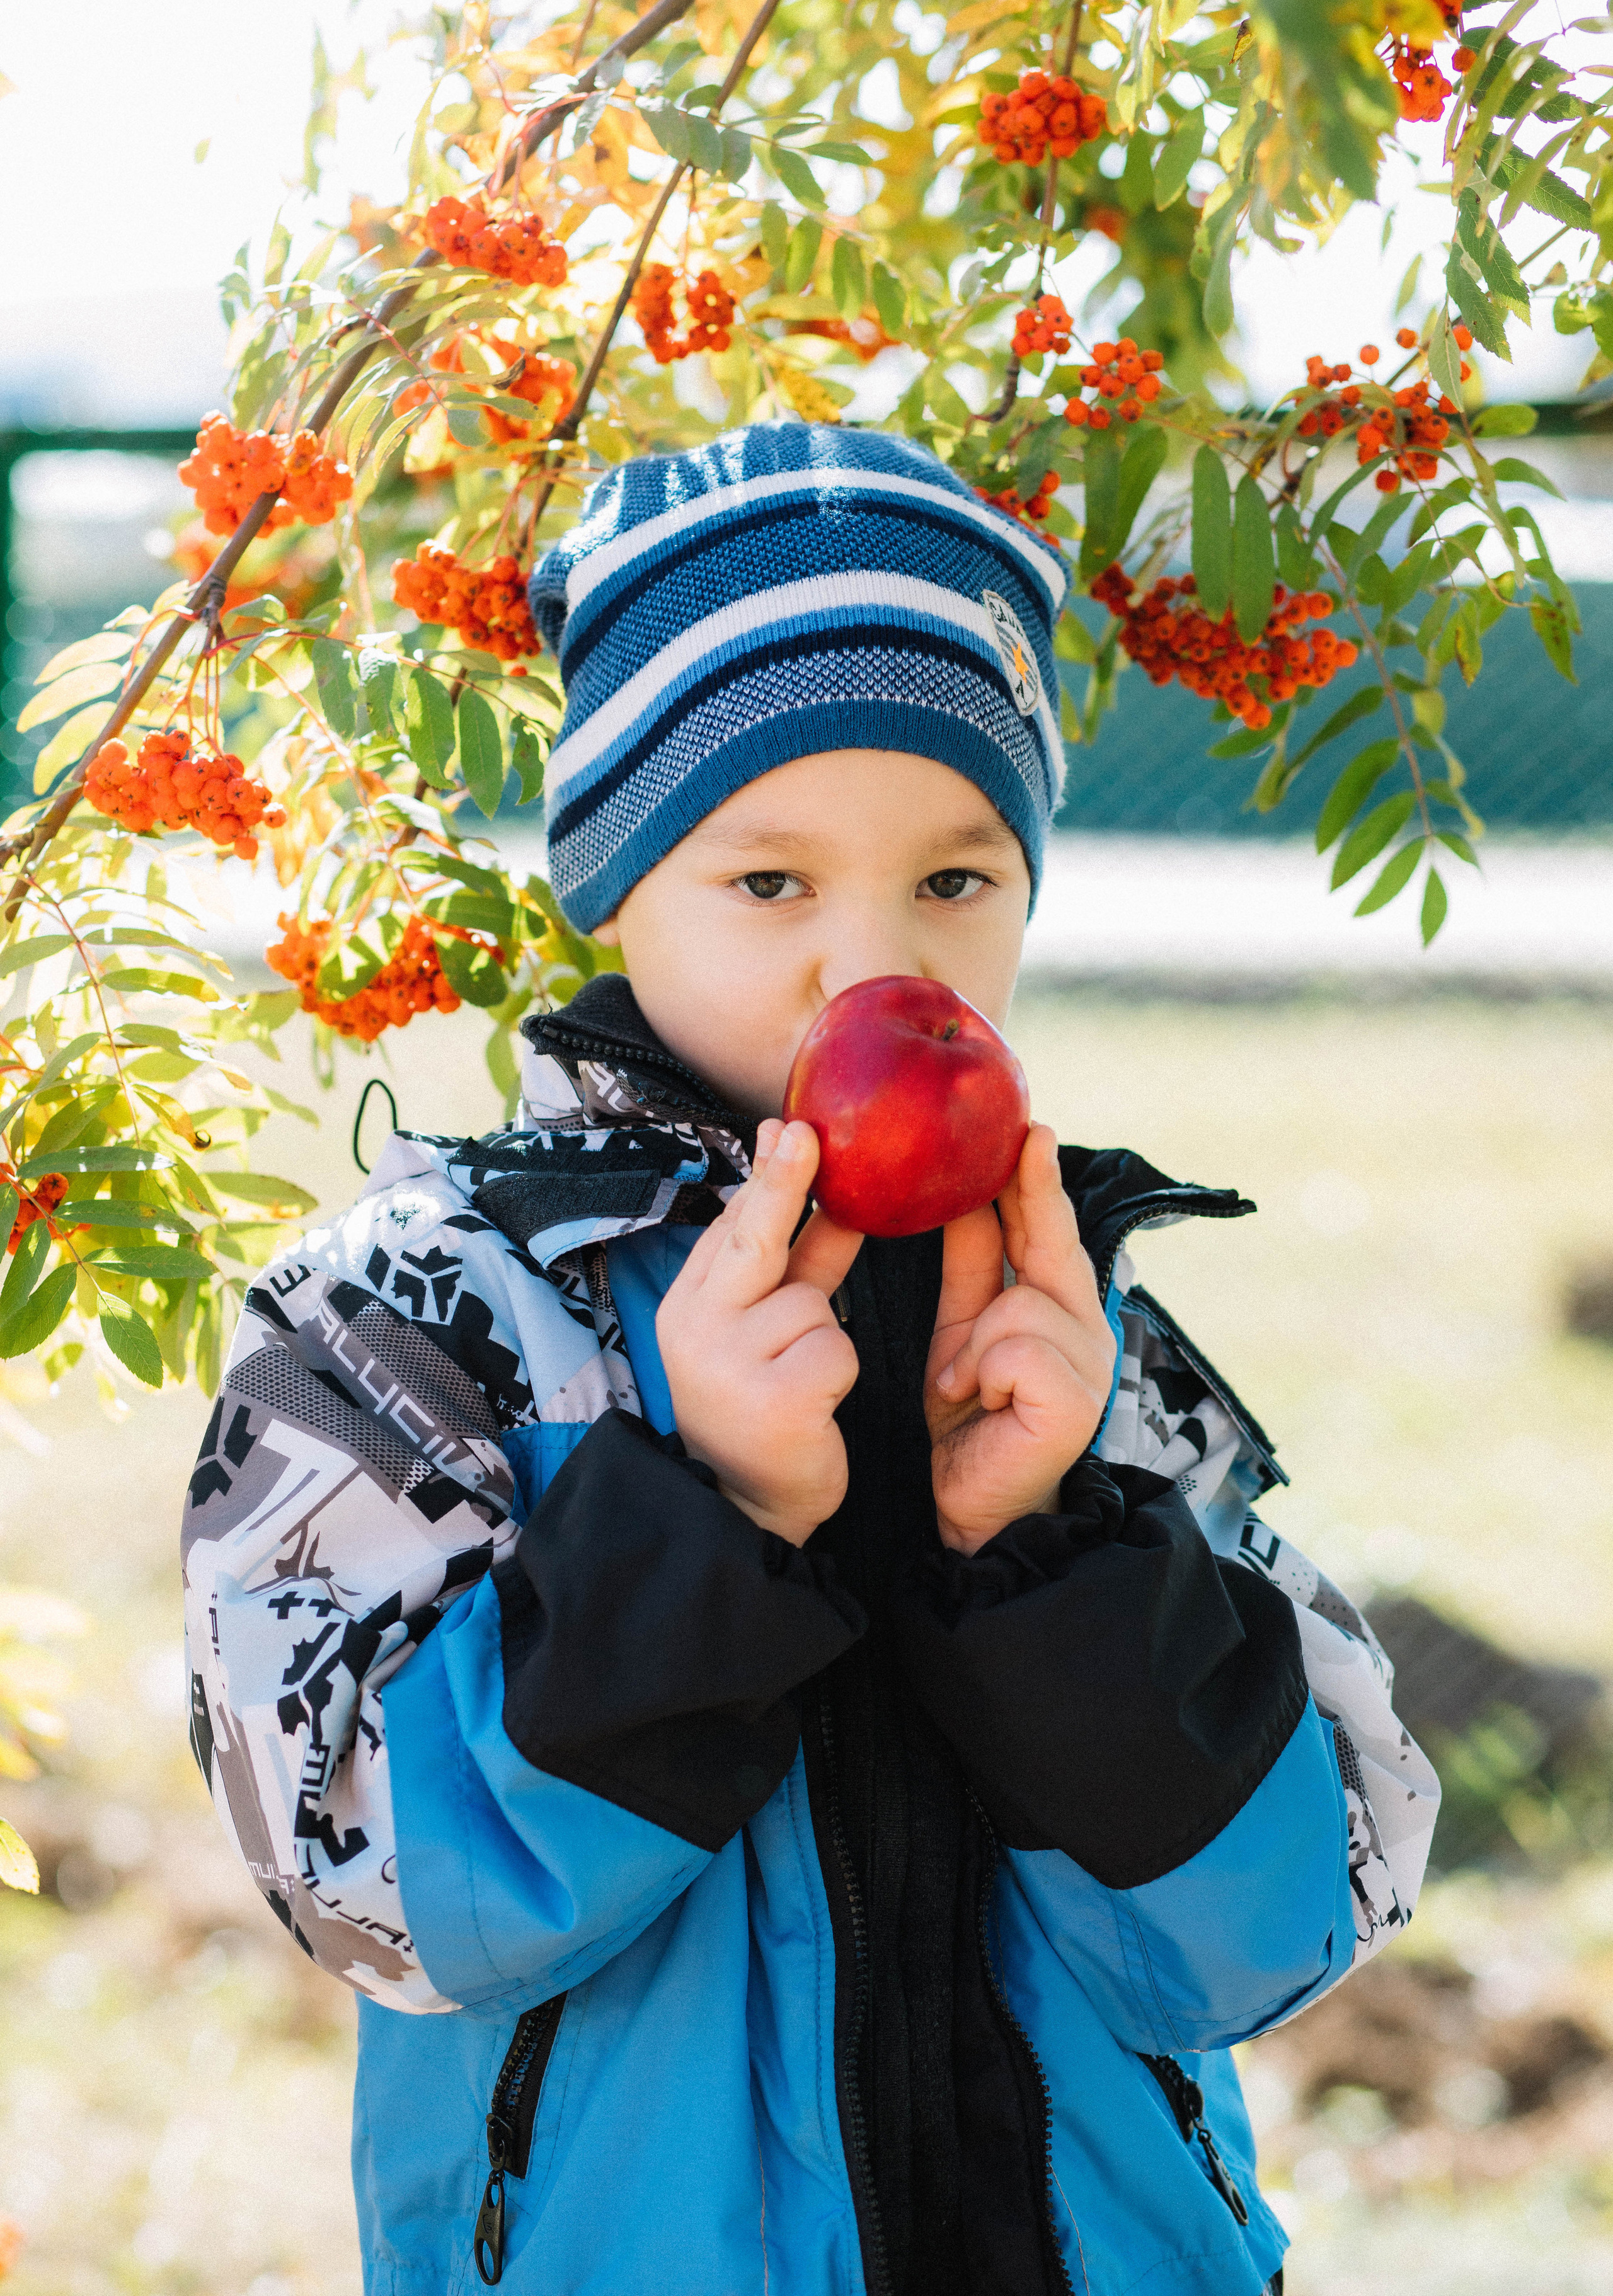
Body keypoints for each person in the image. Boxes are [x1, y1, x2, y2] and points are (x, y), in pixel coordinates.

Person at [181, 424, 1438, 2295]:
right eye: (770, 882)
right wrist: (714, 1515)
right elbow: (364, 1890)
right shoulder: (421, 1319)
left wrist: (1050, 1550)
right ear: (611, 885)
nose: (873, 968)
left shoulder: (1067, 1323)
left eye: (956, 882)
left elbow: (1298, 1914)